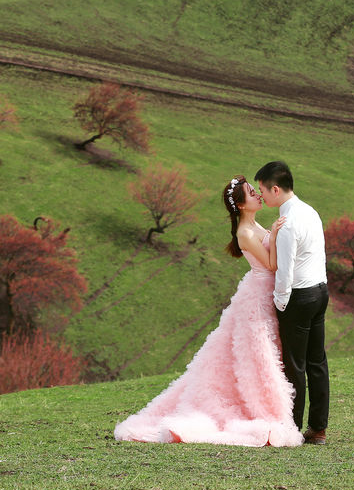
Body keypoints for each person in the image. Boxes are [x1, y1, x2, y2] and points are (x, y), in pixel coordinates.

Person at [113, 175, 304, 447]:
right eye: (252, 193)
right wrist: (275, 235)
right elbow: (272, 265)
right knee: (259, 355)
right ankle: (266, 409)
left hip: (265, 294)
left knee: (262, 353)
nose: (258, 195)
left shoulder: (253, 225)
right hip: (258, 298)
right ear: (241, 205)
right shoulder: (245, 233)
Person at [255, 161, 329, 446]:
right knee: (317, 362)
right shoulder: (310, 211)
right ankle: (318, 429)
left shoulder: (287, 225)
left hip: (298, 296)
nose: (261, 196)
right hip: (320, 290)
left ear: (276, 189)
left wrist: (279, 304)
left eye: (263, 190)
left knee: (294, 365)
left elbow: (283, 273)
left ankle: (293, 428)